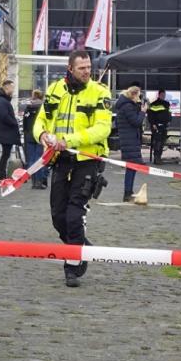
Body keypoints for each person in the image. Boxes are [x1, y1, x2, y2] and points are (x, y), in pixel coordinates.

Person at [33, 50, 113, 288]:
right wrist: (43, 135)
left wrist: (69, 140)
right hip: (60, 159)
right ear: (70, 68)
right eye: (82, 68)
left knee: (74, 214)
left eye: (89, 67)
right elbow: (41, 122)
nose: (87, 72)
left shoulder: (100, 92)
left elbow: (102, 129)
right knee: (58, 216)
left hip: (88, 160)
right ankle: (82, 247)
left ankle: (73, 266)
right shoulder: (55, 90)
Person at [115, 85, 145, 202]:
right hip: (129, 140)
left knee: (132, 167)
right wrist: (142, 112)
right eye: (138, 96)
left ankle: (129, 192)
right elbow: (136, 121)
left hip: (129, 139)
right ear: (133, 95)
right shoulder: (127, 107)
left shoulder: (126, 105)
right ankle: (127, 193)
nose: (139, 98)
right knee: (131, 167)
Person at [0, 80, 21, 181]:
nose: (13, 90)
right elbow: (4, 116)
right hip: (6, 132)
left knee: (6, 154)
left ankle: (2, 176)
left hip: (6, 132)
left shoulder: (3, 100)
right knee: (5, 154)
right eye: (12, 87)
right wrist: (14, 122)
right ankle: (1, 176)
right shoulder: (2, 101)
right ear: (6, 87)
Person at [21, 89, 48, 189]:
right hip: (40, 135)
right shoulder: (43, 107)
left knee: (31, 159)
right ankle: (39, 181)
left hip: (29, 135)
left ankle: (34, 181)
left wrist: (25, 132)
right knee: (40, 158)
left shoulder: (28, 107)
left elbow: (24, 121)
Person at [146, 89, 172, 164]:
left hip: (164, 126)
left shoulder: (166, 104)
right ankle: (156, 158)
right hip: (156, 126)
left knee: (162, 142)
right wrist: (153, 124)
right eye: (162, 95)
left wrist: (169, 121)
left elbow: (168, 114)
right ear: (159, 95)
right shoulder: (154, 104)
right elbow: (150, 115)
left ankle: (159, 157)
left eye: (164, 95)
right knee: (158, 142)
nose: (163, 96)